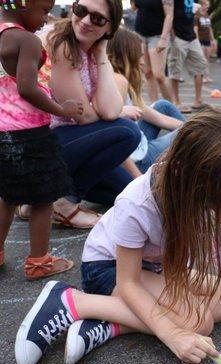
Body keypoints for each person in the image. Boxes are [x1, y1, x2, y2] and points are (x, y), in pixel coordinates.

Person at [15, 107, 221, 364]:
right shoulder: (138, 202)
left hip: (156, 269)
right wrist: (172, 334)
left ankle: (109, 325)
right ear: (183, 172)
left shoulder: (214, 183)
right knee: (198, 321)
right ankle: (72, 303)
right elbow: (128, 282)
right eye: (208, 200)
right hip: (107, 270)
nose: (214, 207)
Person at [0, 0, 83, 278]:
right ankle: (39, 262)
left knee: (7, 195)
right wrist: (63, 109)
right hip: (29, 134)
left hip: (3, 132)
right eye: (45, 10)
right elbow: (26, 87)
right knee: (43, 198)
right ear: (24, 4)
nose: (47, 18)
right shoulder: (27, 41)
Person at [48, 0, 142, 227]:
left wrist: (101, 53)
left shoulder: (92, 52)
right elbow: (86, 117)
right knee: (127, 131)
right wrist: (120, 114)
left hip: (74, 144)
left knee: (123, 191)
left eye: (98, 19)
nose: (85, 21)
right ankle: (65, 204)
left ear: (109, 28)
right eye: (81, 11)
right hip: (46, 143)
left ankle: (37, 199)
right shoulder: (62, 44)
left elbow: (109, 110)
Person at [108, 28, 186, 176]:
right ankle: (202, 151)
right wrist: (138, 180)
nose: (143, 62)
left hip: (138, 148)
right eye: (139, 56)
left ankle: (198, 142)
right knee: (189, 134)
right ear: (127, 56)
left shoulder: (118, 79)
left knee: (163, 106)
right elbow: (113, 141)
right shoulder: (118, 81)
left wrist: (192, 125)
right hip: (138, 162)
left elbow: (158, 118)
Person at [131, 0, 174, 103]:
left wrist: (163, 39)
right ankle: (154, 105)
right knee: (147, 73)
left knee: (159, 75)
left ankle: (172, 108)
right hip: (140, 35)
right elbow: (134, 8)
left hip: (157, 36)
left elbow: (169, 16)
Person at [170, 0, 209, 113]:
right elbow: (168, 15)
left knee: (201, 65)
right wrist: (173, 37)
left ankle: (198, 100)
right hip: (178, 36)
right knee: (175, 69)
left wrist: (197, 12)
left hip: (191, 36)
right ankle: (176, 102)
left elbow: (191, 14)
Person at [196, 0, 215, 83]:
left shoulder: (207, 15)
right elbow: (195, 29)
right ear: (201, 5)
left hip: (207, 39)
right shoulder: (197, 16)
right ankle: (202, 76)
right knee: (202, 58)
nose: (208, 7)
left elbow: (209, 28)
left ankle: (207, 76)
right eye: (206, 5)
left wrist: (213, 39)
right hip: (200, 38)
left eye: (208, 5)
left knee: (207, 58)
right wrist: (196, 40)